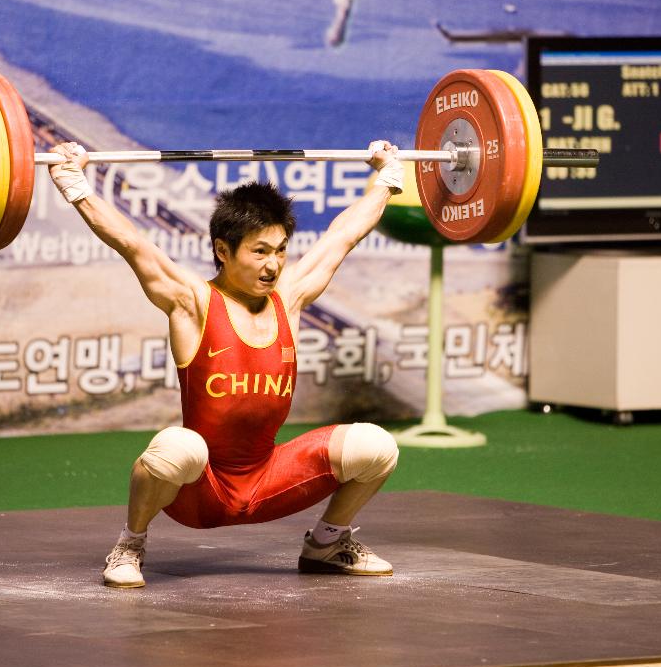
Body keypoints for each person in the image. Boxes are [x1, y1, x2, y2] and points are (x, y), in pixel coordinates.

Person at [48, 140, 405, 588]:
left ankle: (326, 544)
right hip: (200, 489)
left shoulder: (288, 299)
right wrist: (75, 184)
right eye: (259, 251)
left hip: (269, 480)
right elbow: (132, 243)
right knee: (178, 447)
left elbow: (342, 236)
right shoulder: (192, 301)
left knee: (375, 446)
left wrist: (385, 179)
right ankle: (130, 544)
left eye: (280, 250)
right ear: (223, 249)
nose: (273, 264)